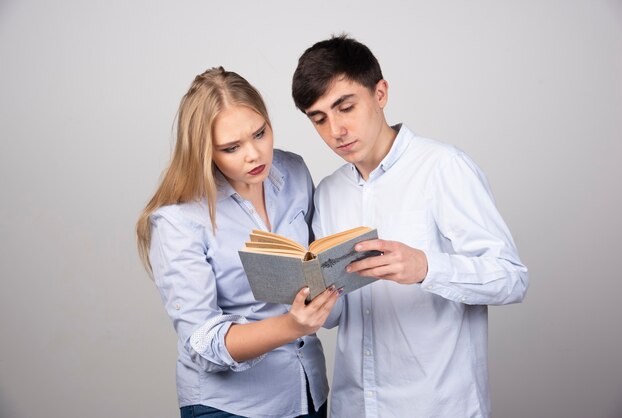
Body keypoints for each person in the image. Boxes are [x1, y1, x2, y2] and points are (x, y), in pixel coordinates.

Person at [291, 35, 529, 418]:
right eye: (319, 119)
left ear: (380, 93)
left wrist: (426, 267)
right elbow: (337, 317)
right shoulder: (329, 192)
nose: (335, 130)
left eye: (345, 107)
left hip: (437, 405)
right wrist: (309, 305)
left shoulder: (443, 167)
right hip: (354, 406)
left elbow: (512, 278)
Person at [136, 67, 340, 418]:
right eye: (231, 147)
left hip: (308, 391)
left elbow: (312, 262)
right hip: (232, 407)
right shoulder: (178, 219)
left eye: (260, 134)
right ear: (204, 151)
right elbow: (202, 344)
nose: (254, 155)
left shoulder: (293, 171)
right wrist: (291, 326)